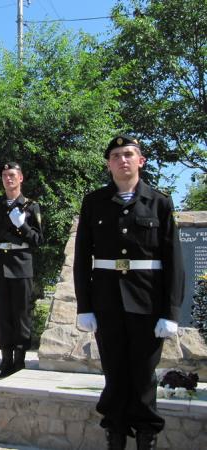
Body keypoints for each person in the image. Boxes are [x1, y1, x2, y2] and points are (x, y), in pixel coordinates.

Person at [73, 135, 184, 450]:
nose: (123, 160)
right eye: (116, 155)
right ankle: (116, 435)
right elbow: (83, 259)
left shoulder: (160, 203)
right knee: (115, 373)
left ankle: (146, 437)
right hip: (107, 302)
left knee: (144, 375)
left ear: (141, 161)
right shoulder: (94, 202)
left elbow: (174, 261)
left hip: (147, 303)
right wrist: (85, 306)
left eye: (129, 155)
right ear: (109, 164)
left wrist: (170, 312)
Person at [0, 162, 43, 379]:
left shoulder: (31, 206)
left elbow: (38, 240)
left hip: (21, 264)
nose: (8, 179)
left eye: (12, 175)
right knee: (3, 313)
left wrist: (23, 225)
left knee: (20, 313)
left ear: (20, 178)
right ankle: (5, 360)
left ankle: (20, 361)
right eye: (4, 175)